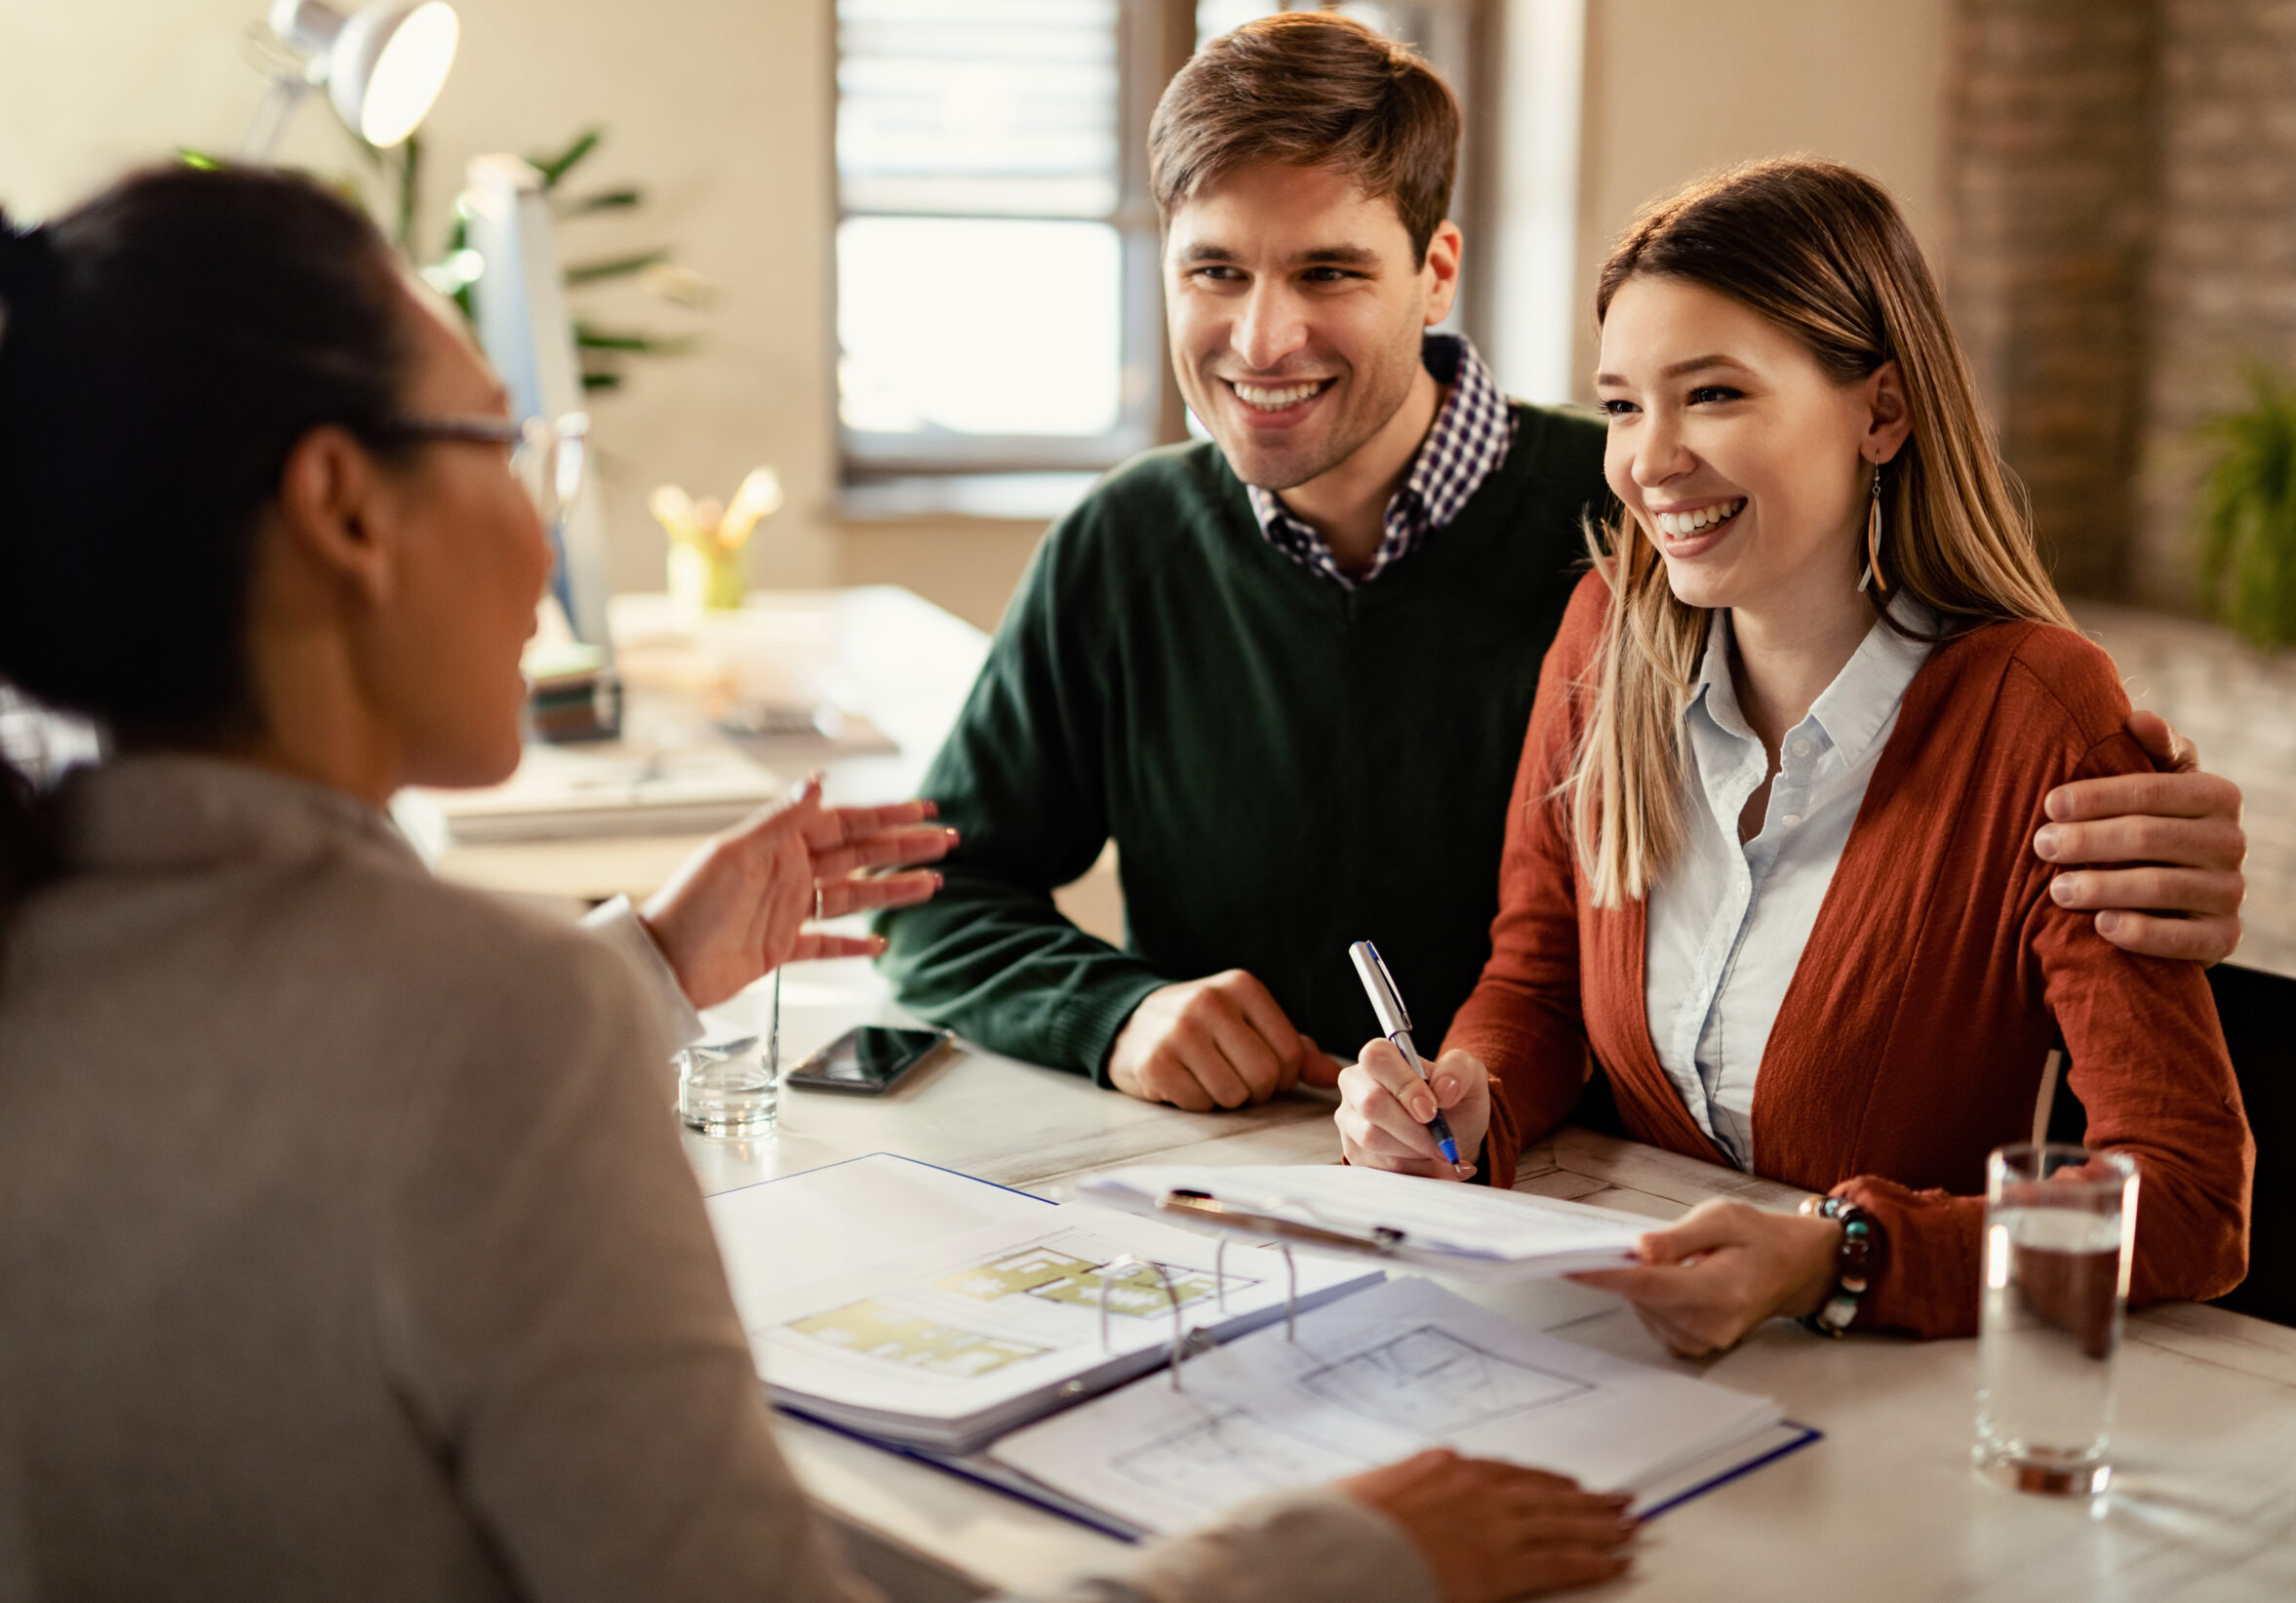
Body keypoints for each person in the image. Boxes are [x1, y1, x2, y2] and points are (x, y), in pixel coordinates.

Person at [0, 165, 1637, 1602]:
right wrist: (1335, 1561)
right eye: (502, 438)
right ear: (344, 509)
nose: (542, 517)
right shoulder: (499, 1024)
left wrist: (641, 962)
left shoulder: (53, 930)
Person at [877, 14, 2253, 1115]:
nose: (1262, 336)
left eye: (1331, 272)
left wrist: (2126, 818)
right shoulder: (1125, 546)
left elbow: (1913, 769)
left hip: (1608, 1206)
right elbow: (938, 900)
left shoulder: (1655, 542)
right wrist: (1120, 1013)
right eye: (1215, 270)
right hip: (1263, 1197)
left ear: (1437, 271)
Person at [1333, 159, 2257, 1345]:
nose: (1648, 460)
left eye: (1711, 394)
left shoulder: (2039, 716)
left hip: (1902, 1409)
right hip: (1624, 1357)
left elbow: (2186, 1199)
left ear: (1880, 411)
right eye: (1622, 405)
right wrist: (1468, 1097)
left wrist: (1843, 1255)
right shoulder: (1605, 642)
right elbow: (1536, 980)